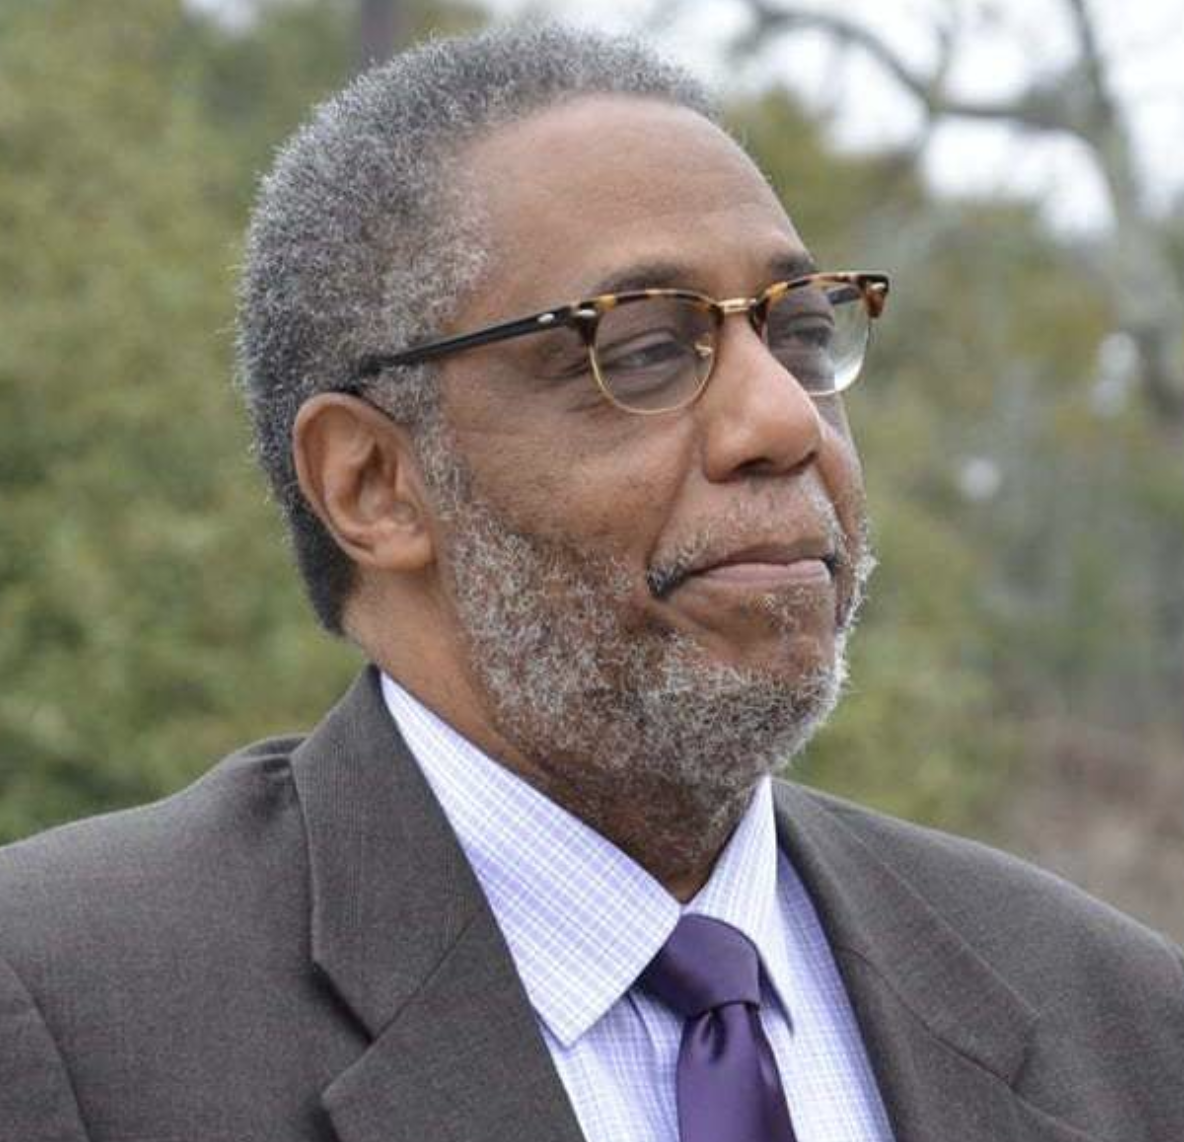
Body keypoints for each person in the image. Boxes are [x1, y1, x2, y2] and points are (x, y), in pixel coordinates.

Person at [1, 23, 1180, 1142]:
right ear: (371, 483)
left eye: (801, 332)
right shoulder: (74, 1013)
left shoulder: (1113, 1020)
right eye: (644, 348)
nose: (780, 417)